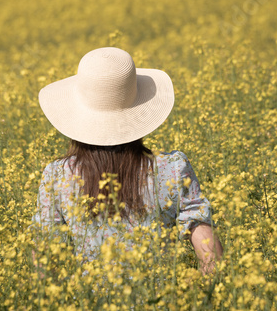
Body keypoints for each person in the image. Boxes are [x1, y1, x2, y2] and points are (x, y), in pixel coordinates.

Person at [30, 47, 223, 286]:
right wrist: (206, 297)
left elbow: (44, 258)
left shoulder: (57, 176)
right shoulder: (172, 168)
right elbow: (208, 250)